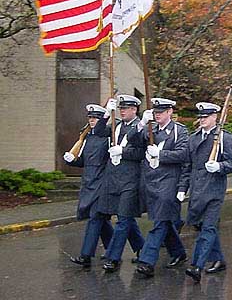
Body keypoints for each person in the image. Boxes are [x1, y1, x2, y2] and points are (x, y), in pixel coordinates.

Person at [125, 98, 189, 278]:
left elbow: (184, 154)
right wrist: (141, 125)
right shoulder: (149, 129)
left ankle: (146, 261)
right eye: (155, 112)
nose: (157, 114)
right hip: (151, 181)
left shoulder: (179, 131)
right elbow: (133, 142)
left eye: (161, 111)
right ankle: (178, 252)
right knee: (166, 220)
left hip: (169, 181)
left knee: (160, 221)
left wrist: (160, 154)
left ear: (170, 112)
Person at [179, 102, 232, 283]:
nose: (202, 120)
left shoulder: (224, 138)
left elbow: (231, 164)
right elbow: (187, 166)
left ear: (214, 118)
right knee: (203, 227)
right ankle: (218, 259)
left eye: (205, 117)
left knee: (209, 227)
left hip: (213, 190)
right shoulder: (193, 138)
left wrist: (219, 166)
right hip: (197, 190)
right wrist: (182, 188)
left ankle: (197, 265)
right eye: (200, 117)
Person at [93, 94, 145, 272]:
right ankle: (142, 248)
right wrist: (107, 113)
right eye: (120, 109)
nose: (122, 112)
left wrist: (122, 151)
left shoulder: (141, 127)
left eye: (126, 109)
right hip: (113, 177)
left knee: (122, 219)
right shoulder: (116, 126)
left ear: (134, 110)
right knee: (126, 217)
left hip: (130, 178)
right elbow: (98, 131)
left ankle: (113, 258)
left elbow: (140, 153)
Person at [64, 104, 114, 268]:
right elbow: (85, 162)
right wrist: (73, 161)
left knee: (95, 217)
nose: (92, 121)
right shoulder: (87, 138)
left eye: (95, 118)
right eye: (90, 118)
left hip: (102, 182)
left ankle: (86, 255)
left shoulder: (108, 135)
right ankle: (115, 250)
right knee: (101, 221)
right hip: (88, 182)